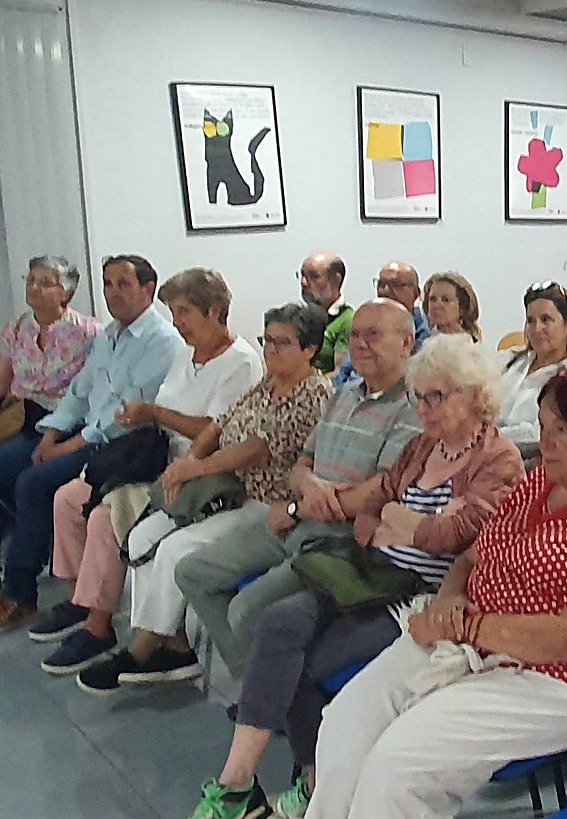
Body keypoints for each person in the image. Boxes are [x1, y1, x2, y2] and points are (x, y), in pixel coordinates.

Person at [303, 369, 567, 819]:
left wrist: (466, 627)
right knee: (344, 723)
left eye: (562, 431)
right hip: (475, 636)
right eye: (543, 425)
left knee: (401, 764)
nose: (545, 441)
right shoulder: (537, 485)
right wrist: (449, 603)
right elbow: (470, 560)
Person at [185, 334, 523, 819]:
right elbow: (371, 511)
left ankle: (312, 780)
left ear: (474, 394)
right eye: (418, 396)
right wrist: (398, 518)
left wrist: (403, 520)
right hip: (369, 571)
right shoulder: (420, 446)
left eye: (437, 396)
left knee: (307, 664)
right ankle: (240, 785)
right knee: (275, 626)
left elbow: (457, 536)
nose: (424, 409)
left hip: (421, 595)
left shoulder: (498, 458)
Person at [66, 304, 331, 693]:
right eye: (267, 340)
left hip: (263, 502)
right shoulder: (267, 385)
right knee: (141, 536)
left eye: (283, 343)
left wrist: (196, 469)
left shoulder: (314, 393)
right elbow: (220, 424)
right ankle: (165, 639)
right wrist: (187, 463)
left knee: (176, 550)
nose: (271, 350)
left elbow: (258, 449)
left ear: (310, 350)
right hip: (223, 489)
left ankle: (146, 649)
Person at [174, 300, 423, 676]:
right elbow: (300, 466)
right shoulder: (346, 393)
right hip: (299, 520)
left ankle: (266, 698)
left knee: (246, 610)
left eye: (373, 335)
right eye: (355, 335)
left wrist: (297, 507)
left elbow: (380, 491)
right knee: (192, 571)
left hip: (345, 542)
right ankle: (259, 687)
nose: (360, 344)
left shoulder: (414, 406)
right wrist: (308, 484)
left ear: (407, 342)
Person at [33, 269, 263, 674]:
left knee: (108, 517)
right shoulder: (185, 353)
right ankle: (80, 602)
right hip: (158, 458)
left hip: (203, 474)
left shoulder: (241, 362)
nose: (178, 323)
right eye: (173, 312)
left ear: (216, 311)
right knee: (67, 497)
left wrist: (155, 413)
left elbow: (217, 430)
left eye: (185, 312)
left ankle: (101, 625)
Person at [0, 254, 183, 631]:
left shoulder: (161, 341)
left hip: (129, 446)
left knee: (33, 483)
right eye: (108, 284)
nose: (114, 293)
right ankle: (75, 597)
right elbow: (81, 392)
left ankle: (20, 592)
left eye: (124, 284)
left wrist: (65, 447)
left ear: (149, 290)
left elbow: (122, 415)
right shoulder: (110, 335)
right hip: (82, 433)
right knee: (33, 475)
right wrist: (50, 435)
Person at [0, 256, 101, 449]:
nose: (34, 287)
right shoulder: (16, 328)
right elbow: (1, 384)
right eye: (31, 280)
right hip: (17, 418)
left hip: (60, 423)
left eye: (45, 283)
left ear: (66, 293)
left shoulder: (89, 333)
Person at [495, 281, 567, 455]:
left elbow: (540, 434)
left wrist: (488, 437)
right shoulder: (511, 361)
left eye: (546, 320)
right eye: (531, 321)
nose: (536, 329)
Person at [333, 262, 431, 388]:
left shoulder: (425, 339)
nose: (385, 291)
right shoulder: (365, 325)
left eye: (395, 284)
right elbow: (343, 374)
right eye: (381, 284)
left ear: (416, 293)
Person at [299, 252, 354, 373]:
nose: (303, 282)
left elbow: (339, 374)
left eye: (313, 276)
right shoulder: (299, 317)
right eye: (302, 275)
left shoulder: (348, 320)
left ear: (336, 280)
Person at [422, 271, 482, 342]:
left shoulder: (472, 347)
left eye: (445, 300)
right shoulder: (422, 344)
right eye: (433, 299)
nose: (437, 305)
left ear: (462, 308)